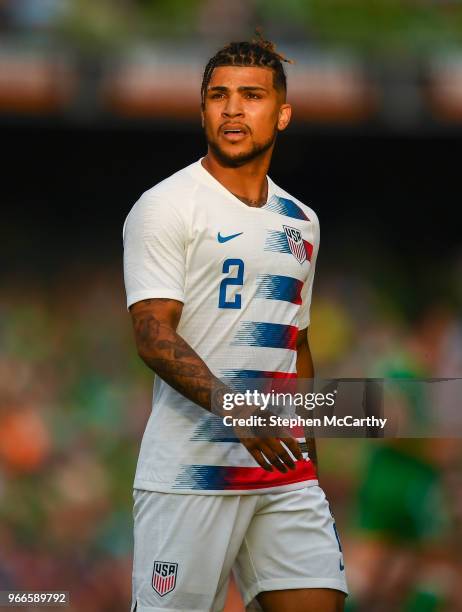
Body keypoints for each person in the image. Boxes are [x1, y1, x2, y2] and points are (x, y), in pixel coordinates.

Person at [123, 37, 348, 612]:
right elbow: (152, 333)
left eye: (251, 95)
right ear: (202, 111)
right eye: (218, 96)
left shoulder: (303, 221)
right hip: (190, 474)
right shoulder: (168, 205)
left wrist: (310, 465)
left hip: (282, 472)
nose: (232, 109)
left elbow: (297, 344)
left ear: (282, 113)